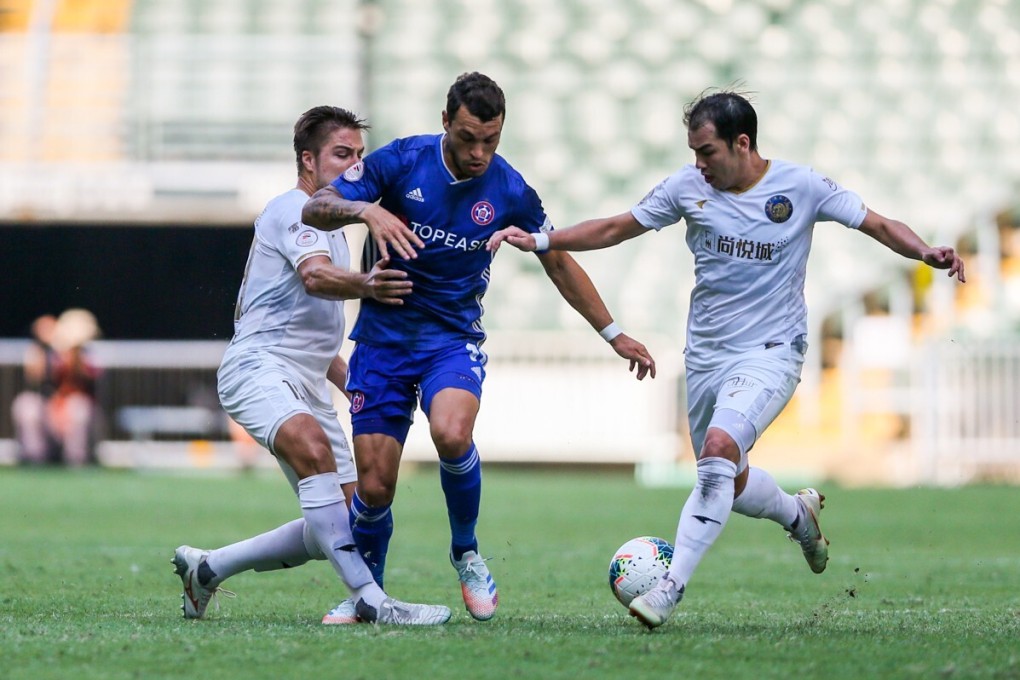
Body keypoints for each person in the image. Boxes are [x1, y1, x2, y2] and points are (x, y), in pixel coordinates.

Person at [487, 90, 966, 629]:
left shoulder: (800, 186)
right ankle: (797, 514)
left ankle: (669, 589)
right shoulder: (687, 188)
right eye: (693, 152)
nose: (699, 164)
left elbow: (875, 223)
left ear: (742, 143)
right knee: (727, 480)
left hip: (771, 352)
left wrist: (922, 249)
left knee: (718, 452)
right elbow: (617, 227)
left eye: (707, 152)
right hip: (707, 358)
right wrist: (543, 239)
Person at [301, 72, 657, 622]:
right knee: (373, 488)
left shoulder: (509, 188)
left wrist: (613, 333)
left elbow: (556, 258)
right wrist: (365, 209)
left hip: (451, 339)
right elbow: (316, 206)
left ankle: (465, 551)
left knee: (452, 431)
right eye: (468, 138)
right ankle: (367, 597)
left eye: (491, 139)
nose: (480, 152)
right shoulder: (400, 162)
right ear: (445, 122)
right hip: (383, 340)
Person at [171, 106, 451, 627]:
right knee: (314, 451)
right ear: (307, 159)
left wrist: (359, 385)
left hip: (305, 380)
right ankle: (373, 601)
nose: (353, 167)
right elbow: (316, 280)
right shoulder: (293, 209)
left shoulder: (337, 228)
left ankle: (207, 569)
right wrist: (368, 285)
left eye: (359, 157)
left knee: (346, 524)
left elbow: (315, 339)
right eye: (341, 155)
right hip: (256, 367)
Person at [12, 310, 103, 467]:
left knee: (78, 407)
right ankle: (34, 459)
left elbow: (83, 381)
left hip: (76, 418)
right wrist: (43, 345)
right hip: (49, 416)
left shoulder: (90, 356)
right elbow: (35, 375)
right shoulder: (47, 352)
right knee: (26, 404)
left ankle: (76, 460)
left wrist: (75, 354)